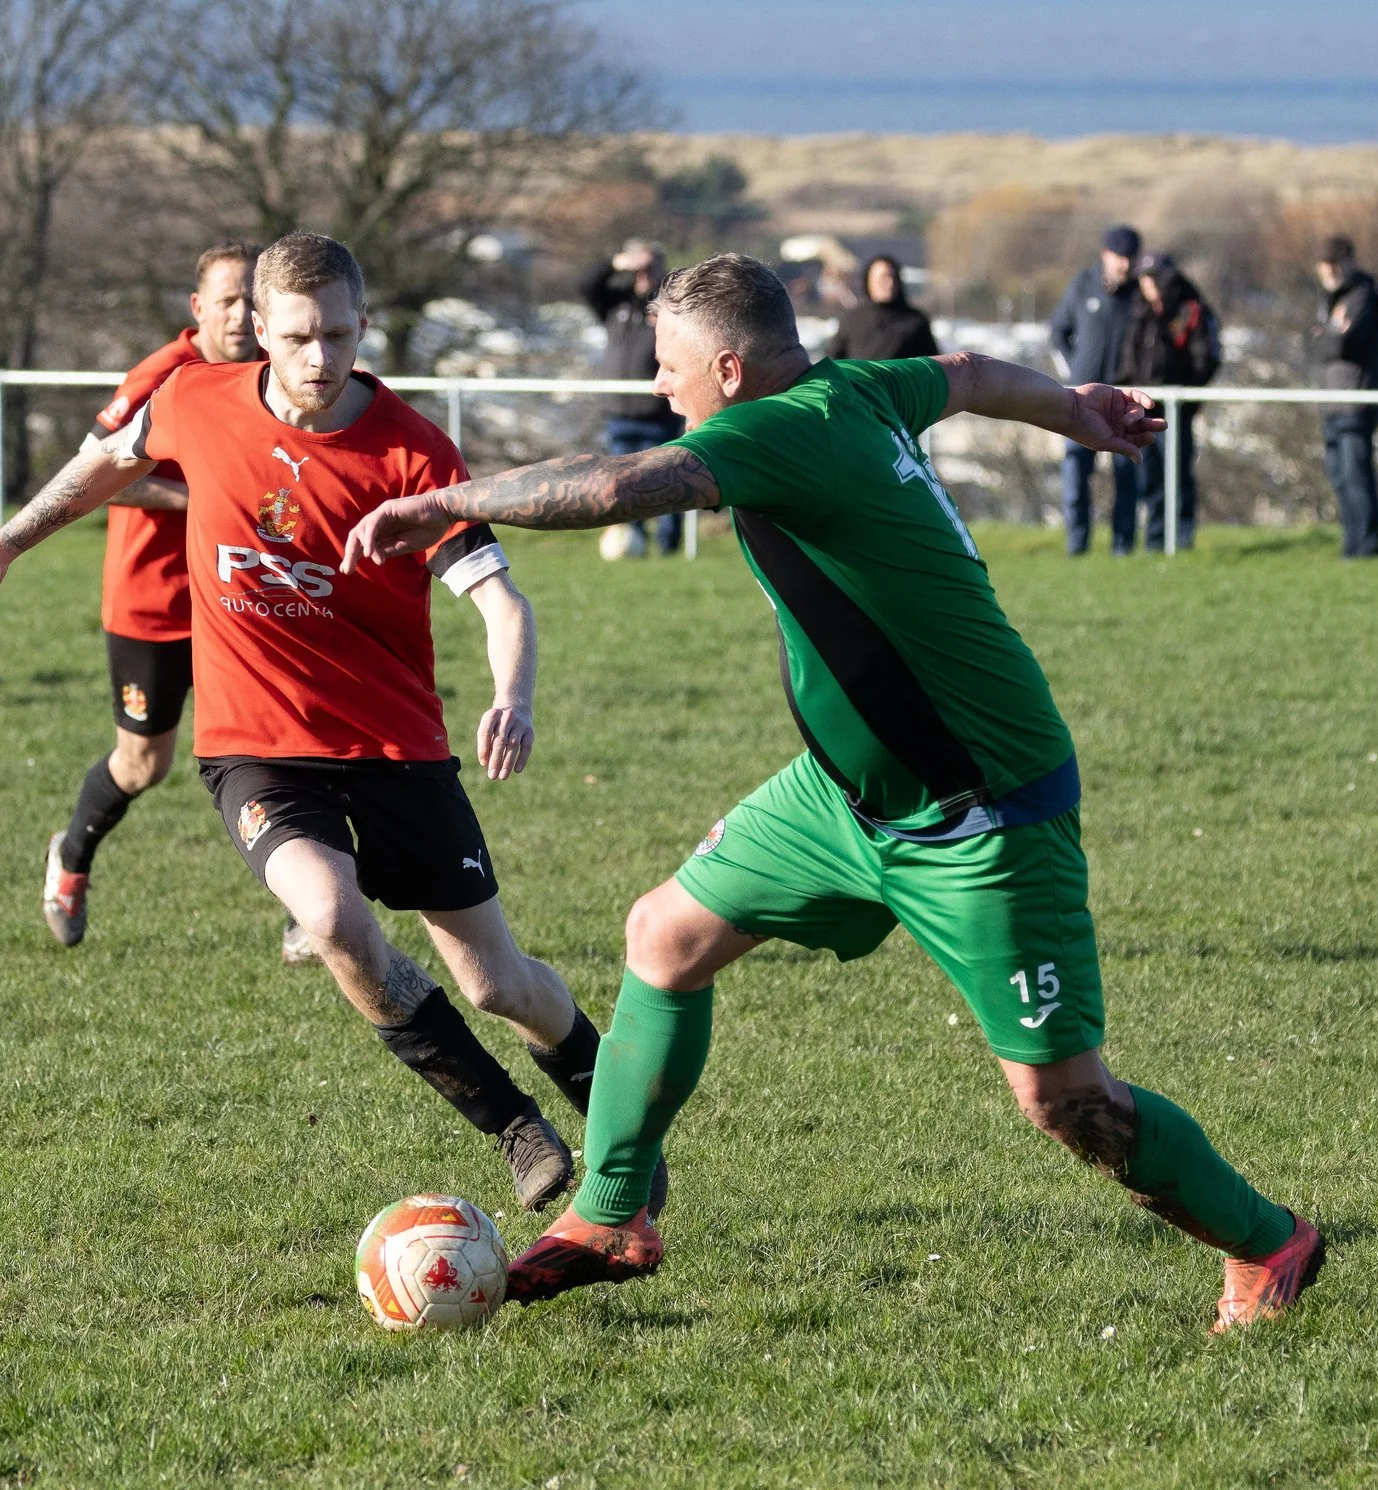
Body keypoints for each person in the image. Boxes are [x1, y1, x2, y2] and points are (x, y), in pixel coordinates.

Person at [341, 252, 1324, 1334]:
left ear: (726, 367)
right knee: (664, 934)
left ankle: (1266, 1240)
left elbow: (619, 485)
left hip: (979, 815)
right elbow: (966, 372)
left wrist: (439, 500)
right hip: (843, 796)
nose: (660, 390)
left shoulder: (779, 429)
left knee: (1066, 1101)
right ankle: (613, 1213)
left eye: (670, 371)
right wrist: (1072, 409)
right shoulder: (857, 383)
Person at [0, 232, 659, 1215]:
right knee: (328, 916)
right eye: (296, 336)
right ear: (258, 333)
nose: (318, 357)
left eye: (336, 333)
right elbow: (103, 461)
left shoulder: (409, 450)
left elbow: (499, 599)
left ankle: (604, 1098)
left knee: (495, 981)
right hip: (256, 749)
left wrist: (514, 696)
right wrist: (1, 548)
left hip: (396, 746)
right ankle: (514, 1127)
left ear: (362, 325)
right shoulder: (196, 403)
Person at [39, 240, 259, 948]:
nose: (243, 314)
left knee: (281, 749)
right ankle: (71, 855)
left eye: (255, 299)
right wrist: (204, 500)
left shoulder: (272, 375)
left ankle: (309, 917)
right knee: (143, 765)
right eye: (228, 299)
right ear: (198, 308)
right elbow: (97, 471)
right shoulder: (165, 375)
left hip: (239, 601)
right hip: (152, 604)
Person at [1046, 225, 1143, 555]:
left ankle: (1123, 549)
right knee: (1075, 474)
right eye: (1119, 257)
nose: (1125, 265)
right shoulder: (1081, 286)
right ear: (1105, 254)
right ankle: (1077, 547)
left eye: (1130, 258)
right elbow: (1058, 333)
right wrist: (1074, 376)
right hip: (1080, 400)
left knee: (1127, 478)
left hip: (1125, 402)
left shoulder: (1139, 295)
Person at [581, 241, 681, 558]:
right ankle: (632, 544)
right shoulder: (616, 304)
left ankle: (668, 547)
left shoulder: (671, 307)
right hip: (620, 413)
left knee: (666, 483)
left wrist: (659, 282)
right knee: (623, 485)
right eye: (638, 268)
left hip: (659, 414)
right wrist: (615, 262)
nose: (643, 274)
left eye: (649, 267)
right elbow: (585, 286)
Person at [1119, 254, 1220, 552]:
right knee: (1148, 477)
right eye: (1144, 278)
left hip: (1176, 411)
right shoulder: (1139, 311)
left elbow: (1207, 358)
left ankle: (1182, 539)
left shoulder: (1191, 310)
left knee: (1178, 475)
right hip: (1142, 409)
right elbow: (1129, 357)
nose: (1148, 284)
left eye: (1153, 277)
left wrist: (1185, 395)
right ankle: (1154, 541)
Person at [1314, 236, 1378, 560]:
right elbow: (1314, 346)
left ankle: (1367, 548)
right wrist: (1331, 334)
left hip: (1356, 401)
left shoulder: (1364, 298)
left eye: (1335, 264)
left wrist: (1328, 337)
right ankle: (1352, 547)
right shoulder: (1329, 300)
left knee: (1357, 477)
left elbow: (1344, 345)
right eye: (1324, 265)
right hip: (1332, 402)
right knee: (1341, 479)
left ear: (1350, 263)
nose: (1330, 271)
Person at [823, 254, 939, 362]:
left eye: (892, 277)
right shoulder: (852, 319)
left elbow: (931, 365)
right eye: (883, 278)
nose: (889, 283)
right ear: (869, 281)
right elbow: (833, 359)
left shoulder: (915, 320)